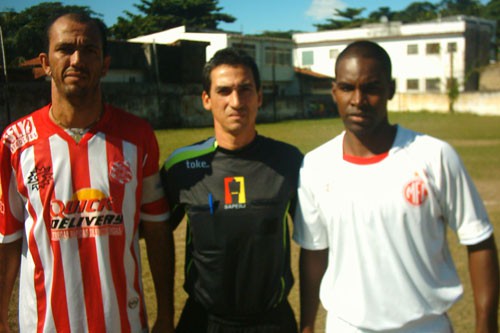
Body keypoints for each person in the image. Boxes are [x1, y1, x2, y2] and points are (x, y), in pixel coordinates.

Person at [293, 40, 499, 333]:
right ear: (334, 92)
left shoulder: (435, 156)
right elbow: (314, 252)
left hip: (426, 327)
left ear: (390, 89)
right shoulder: (315, 166)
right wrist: (308, 325)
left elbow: (479, 241)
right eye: (348, 87)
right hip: (347, 327)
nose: (358, 99)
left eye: (372, 88)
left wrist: (487, 325)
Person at [0, 13, 174, 333]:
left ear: (105, 64)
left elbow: (158, 231)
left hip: (123, 324)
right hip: (43, 325)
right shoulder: (15, 142)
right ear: (45, 62)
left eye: (89, 50)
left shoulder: (138, 137)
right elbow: (8, 238)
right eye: (65, 49)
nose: (77, 59)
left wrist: (165, 315)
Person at [160, 47, 303, 332]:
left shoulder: (290, 161)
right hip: (204, 321)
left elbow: (317, 243)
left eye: (245, 89)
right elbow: (151, 235)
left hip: (272, 321)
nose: (236, 101)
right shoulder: (180, 166)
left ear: (259, 97)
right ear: (206, 99)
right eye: (224, 91)